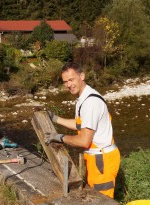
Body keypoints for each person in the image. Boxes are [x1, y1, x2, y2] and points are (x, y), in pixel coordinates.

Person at [46, 62, 120, 198]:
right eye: (65, 82)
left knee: (103, 200)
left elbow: (84, 141)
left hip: (101, 160)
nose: (68, 84)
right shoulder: (83, 97)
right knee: (95, 197)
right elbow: (82, 124)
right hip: (97, 158)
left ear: (82, 76)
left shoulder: (90, 102)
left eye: (71, 79)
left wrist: (59, 137)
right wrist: (55, 118)